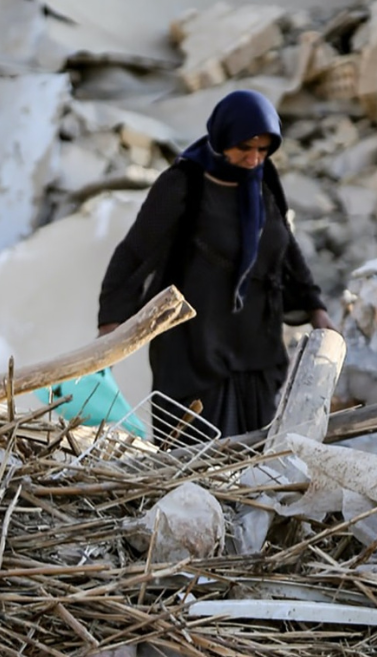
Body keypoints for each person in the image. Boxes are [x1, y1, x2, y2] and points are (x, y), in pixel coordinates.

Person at [97, 88, 336, 444]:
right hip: (194, 350)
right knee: (195, 457)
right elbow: (135, 252)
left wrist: (315, 306)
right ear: (224, 138)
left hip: (256, 347)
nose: (255, 159)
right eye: (245, 148)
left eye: (263, 149)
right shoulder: (184, 184)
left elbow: (283, 244)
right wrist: (112, 328)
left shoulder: (262, 184)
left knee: (258, 457)